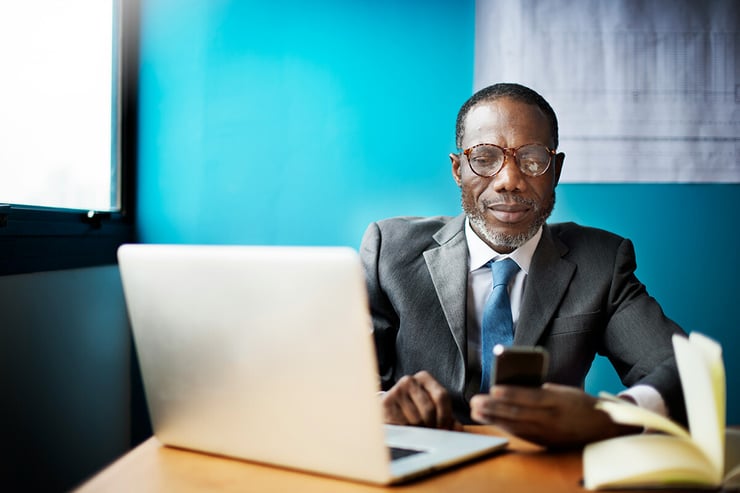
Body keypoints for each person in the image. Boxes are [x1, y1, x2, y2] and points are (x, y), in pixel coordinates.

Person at [359, 82, 687, 448]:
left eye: (532, 159)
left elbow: (684, 372)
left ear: (556, 170)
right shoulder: (389, 252)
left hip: (541, 469)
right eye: (484, 158)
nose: (509, 181)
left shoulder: (601, 262)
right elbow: (335, 380)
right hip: (420, 467)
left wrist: (609, 417)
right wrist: (376, 408)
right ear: (457, 169)